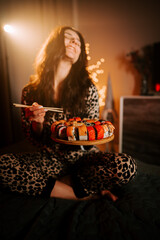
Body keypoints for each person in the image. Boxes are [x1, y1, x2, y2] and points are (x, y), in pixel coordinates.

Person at [0, 26, 137, 201]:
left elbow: (91, 138)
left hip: (84, 158)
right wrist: (38, 122)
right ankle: (79, 193)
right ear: (53, 45)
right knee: (3, 166)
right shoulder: (30, 92)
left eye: (78, 42)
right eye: (68, 37)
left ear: (80, 54)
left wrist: (80, 136)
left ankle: (58, 184)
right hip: (49, 158)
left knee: (126, 166)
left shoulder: (88, 89)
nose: (74, 42)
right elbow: (34, 140)